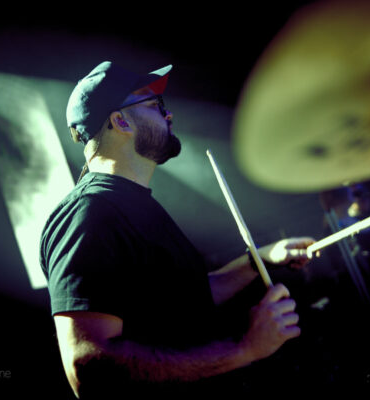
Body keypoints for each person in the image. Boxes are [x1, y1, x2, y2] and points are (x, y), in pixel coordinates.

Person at [40, 61, 316, 398]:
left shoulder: (135, 205)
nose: (168, 114)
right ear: (121, 121)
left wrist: (261, 259)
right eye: (155, 105)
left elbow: (186, 299)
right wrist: (244, 348)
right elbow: (88, 367)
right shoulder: (89, 213)